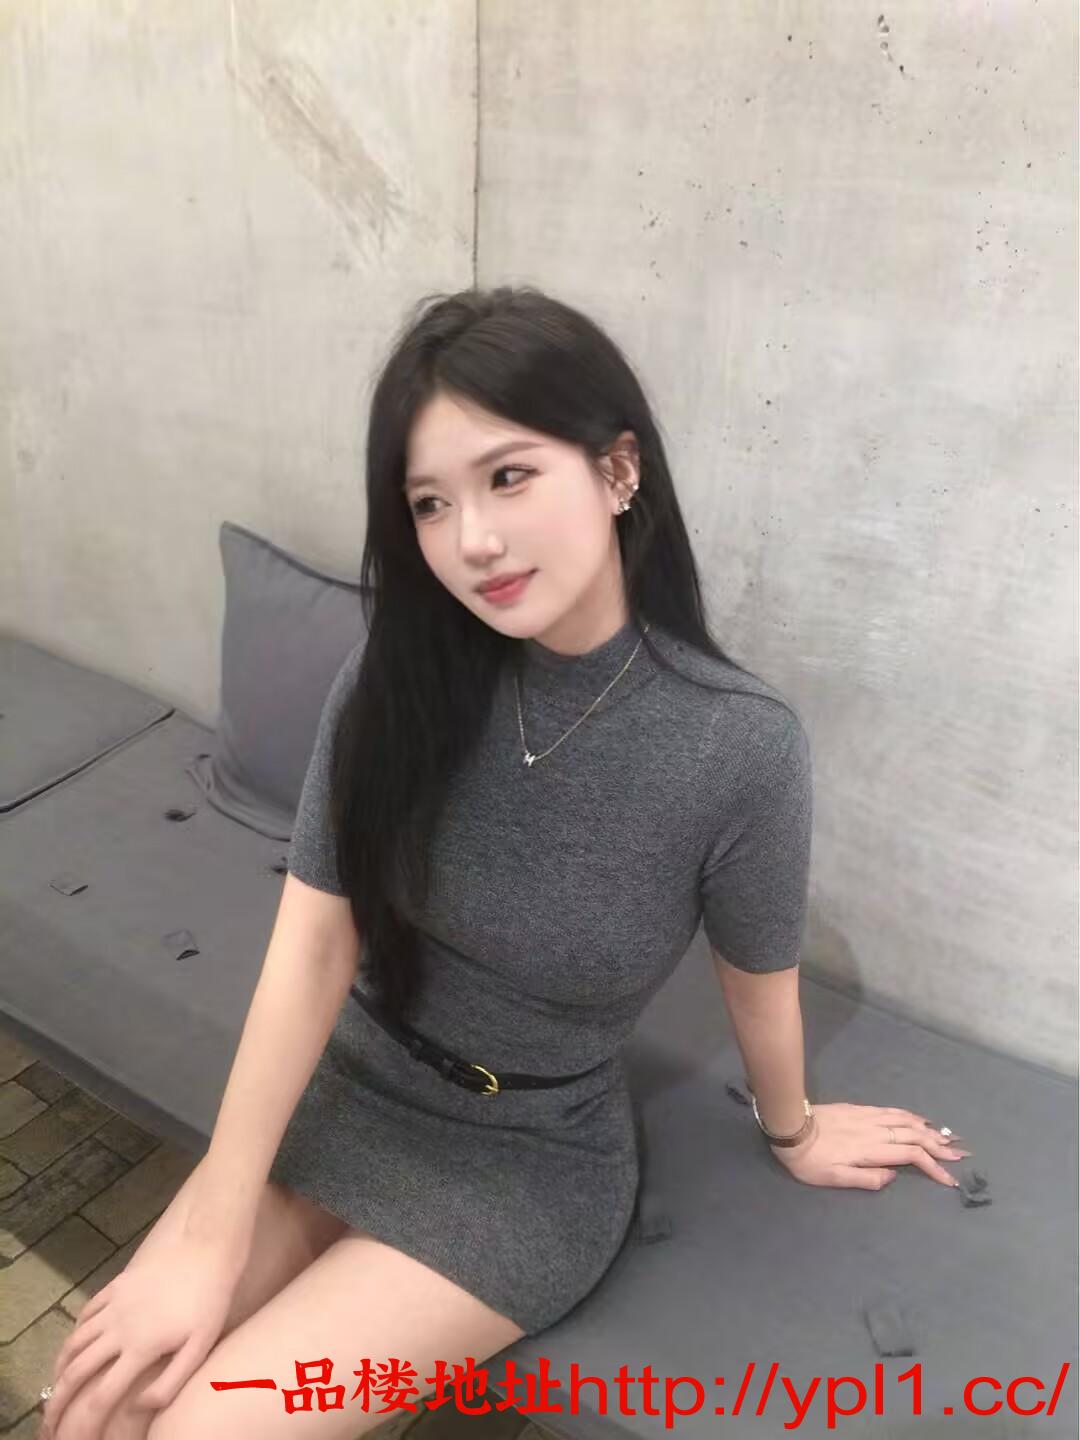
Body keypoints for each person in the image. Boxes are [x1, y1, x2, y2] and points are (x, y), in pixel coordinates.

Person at [39, 286, 970, 1440]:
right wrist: (209, 1229)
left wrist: (796, 1127)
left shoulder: (738, 744)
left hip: (524, 1168)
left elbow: (757, 976)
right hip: (352, 1084)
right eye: (431, 503)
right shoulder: (399, 675)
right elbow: (316, 941)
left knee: (201, 1432)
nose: (470, 539)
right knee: (96, 1411)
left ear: (618, 469)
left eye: (509, 476)